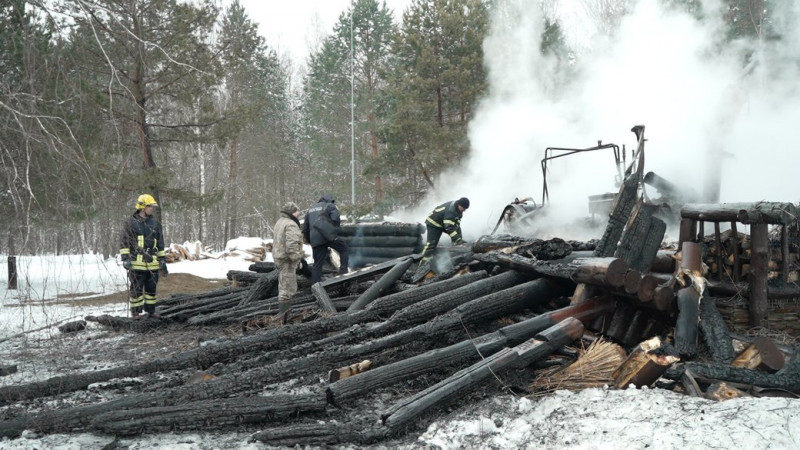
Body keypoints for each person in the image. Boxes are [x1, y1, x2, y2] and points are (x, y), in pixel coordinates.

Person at [119, 194, 167, 319]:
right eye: (149, 206)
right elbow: (124, 242)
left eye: (152, 206)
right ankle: (135, 312)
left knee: (151, 289)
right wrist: (125, 259)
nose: (152, 208)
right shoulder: (130, 223)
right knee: (136, 289)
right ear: (142, 207)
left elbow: (160, 242)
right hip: (136, 263)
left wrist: (162, 259)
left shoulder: (155, 223)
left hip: (152, 263)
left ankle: (151, 311)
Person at [302, 193, 349, 283]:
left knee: (317, 264)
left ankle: (315, 286)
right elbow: (336, 219)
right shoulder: (330, 206)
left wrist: (310, 240)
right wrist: (334, 231)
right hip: (328, 236)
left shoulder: (310, 210)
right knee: (344, 249)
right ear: (330, 200)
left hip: (315, 240)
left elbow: (305, 229)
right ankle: (344, 275)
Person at [273, 201, 305, 322]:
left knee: (284, 286)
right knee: (287, 289)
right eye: (297, 211)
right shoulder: (291, 224)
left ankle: (285, 315)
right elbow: (291, 245)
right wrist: (297, 258)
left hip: (279, 258)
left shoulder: (279, 222)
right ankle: (284, 317)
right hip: (287, 261)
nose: (298, 214)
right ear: (292, 212)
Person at [420, 197, 470, 264]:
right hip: (433, 223)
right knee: (431, 244)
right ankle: (423, 262)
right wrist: (457, 239)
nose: (464, 210)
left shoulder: (459, 210)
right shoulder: (451, 211)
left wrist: (459, 239)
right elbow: (449, 228)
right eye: (463, 208)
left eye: (465, 209)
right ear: (459, 205)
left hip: (442, 223)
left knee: (457, 233)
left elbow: (456, 226)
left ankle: (456, 248)